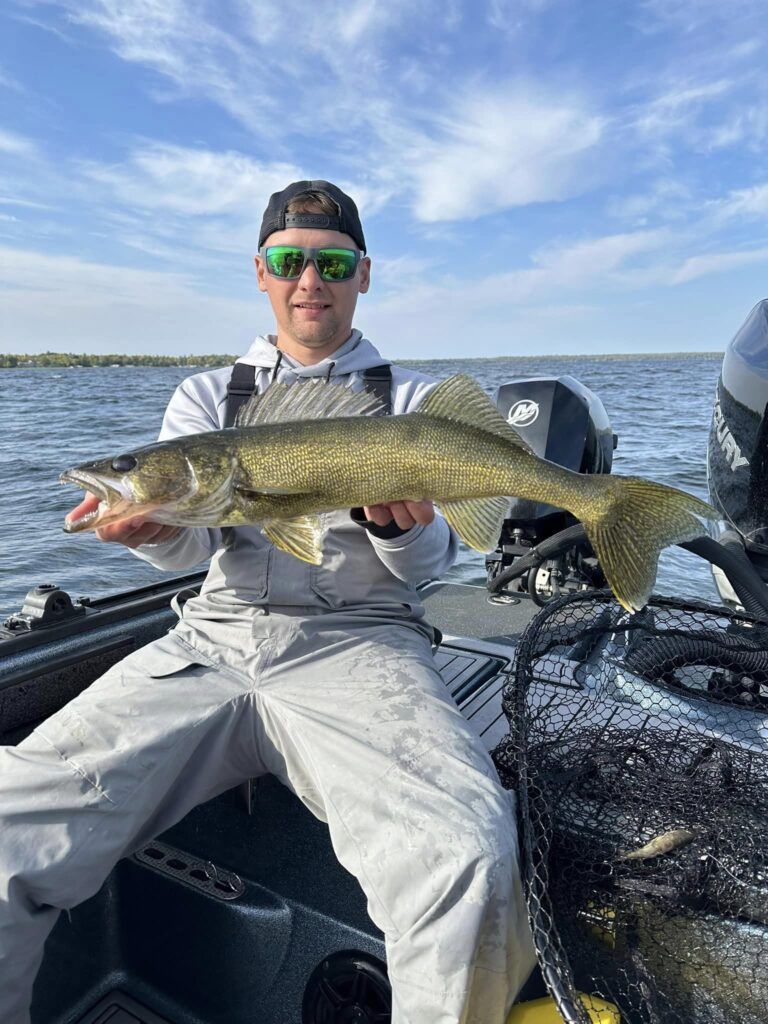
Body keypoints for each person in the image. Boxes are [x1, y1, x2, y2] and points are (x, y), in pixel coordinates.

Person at [0, 180, 535, 1023]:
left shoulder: (421, 403)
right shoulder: (207, 401)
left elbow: (430, 563)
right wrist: (151, 529)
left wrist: (401, 529)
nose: (309, 280)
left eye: (332, 262)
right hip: (213, 641)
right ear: (261, 272)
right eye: (290, 261)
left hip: (364, 645)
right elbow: (197, 541)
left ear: (364, 275)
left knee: (468, 856)